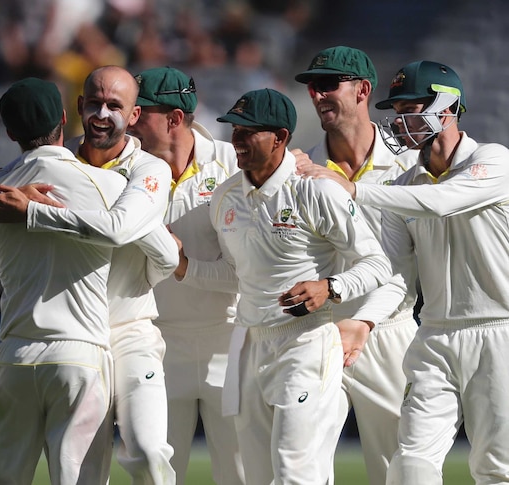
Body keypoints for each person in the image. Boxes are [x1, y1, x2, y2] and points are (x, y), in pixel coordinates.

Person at [0, 65, 179, 485]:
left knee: (150, 451)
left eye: (115, 106)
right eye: (94, 103)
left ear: (134, 116)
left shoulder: (149, 171)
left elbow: (150, 247)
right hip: (80, 336)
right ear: (75, 109)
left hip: (129, 329)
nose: (102, 114)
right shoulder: (50, 167)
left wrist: (33, 211)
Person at [175, 88, 395, 484]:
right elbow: (236, 275)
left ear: (280, 137)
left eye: (248, 132)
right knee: (258, 476)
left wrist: (331, 287)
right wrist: (185, 267)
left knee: (296, 473)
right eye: (234, 131)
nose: (237, 140)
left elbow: (378, 263)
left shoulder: (316, 189)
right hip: (249, 344)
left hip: (306, 342)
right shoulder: (225, 198)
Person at [309, 60, 509, 484]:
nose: (400, 122)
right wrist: (364, 320)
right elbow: (397, 271)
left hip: (499, 334)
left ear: (447, 107)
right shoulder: (404, 186)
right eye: (396, 112)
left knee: (495, 468)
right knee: (409, 466)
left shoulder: (494, 162)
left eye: (410, 108)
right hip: (434, 337)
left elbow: (443, 201)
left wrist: (356, 188)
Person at [0, 77, 127, 485]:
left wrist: (6, 189)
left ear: (9, 132)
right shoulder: (110, 185)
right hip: (80, 354)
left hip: (17, 357)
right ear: (65, 118)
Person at [293, 46, 419, 485]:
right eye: (312, 86)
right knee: (302, 467)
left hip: (390, 334)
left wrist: (363, 322)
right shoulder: (300, 169)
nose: (317, 94)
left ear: (363, 90)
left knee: (401, 470)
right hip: (320, 334)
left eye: (328, 84)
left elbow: (407, 267)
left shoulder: (408, 163)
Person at [128, 66, 245, 485]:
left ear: (174, 119)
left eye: (138, 112)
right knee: (155, 475)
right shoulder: (123, 169)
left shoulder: (235, 166)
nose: (127, 120)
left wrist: (181, 267)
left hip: (227, 344)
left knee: (241, 474)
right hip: (154, 346)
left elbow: (246, 275)